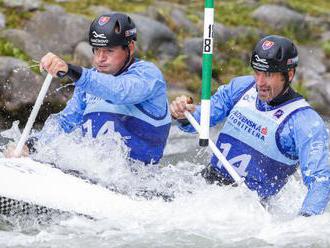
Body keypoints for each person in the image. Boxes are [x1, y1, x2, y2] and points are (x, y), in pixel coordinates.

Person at [170, 35, 330, 216]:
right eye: (257, 72)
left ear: (289, 74)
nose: (260, 82)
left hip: (247, 211)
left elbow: (320, 181)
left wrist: (304, 223)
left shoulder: (305, 122)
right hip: (204, 187)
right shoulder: (242, 87)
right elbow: (203, 120)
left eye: (268, 75)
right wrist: (184, 114)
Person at [5, 12, 171, 165]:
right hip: (97, 172)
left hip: (140, 182)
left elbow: (120, 92)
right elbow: (65, 125)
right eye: (96, 50)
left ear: (130, 48)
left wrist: (70, 70)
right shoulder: (89, 82)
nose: (100, 59)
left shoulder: (149, 75)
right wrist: (30, 146)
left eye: (109, 51)